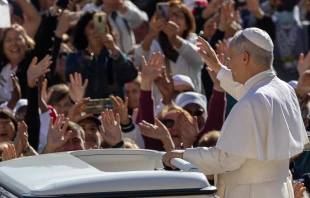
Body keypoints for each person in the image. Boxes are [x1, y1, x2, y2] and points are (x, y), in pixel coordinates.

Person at [163, 28, 309, 198]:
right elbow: (251, 94)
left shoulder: (254, 100)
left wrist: (183, 154)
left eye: (231, 59)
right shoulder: (285, 89)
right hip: (280, 189)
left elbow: (226, 159)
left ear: (245, 58)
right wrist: (219, 68)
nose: (230, 65)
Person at [66, 11, 138, 100]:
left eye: (100, 27)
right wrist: (88, 54)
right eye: (92, 27)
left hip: (112, 111)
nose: (96, 31)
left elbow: (131, 75)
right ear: (84, 31)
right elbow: (71, 77)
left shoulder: (115, 57)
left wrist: (114, 48)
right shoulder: (74, 58)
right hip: (86, 110)